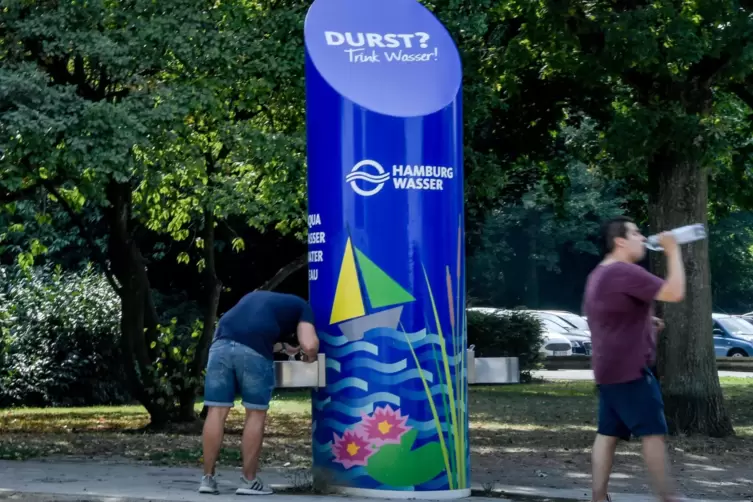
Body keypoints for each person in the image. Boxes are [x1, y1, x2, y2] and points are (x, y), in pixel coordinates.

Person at [582, 216, 686, 502]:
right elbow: (675, 292)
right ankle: (669, 498)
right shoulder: (625, 272)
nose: (642, 238)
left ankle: (599, 497)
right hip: (630, 369)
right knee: (653, 433)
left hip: (607, 370)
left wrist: (645, 321)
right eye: (636, 233)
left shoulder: (599, 274)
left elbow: (608, 314)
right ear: (620, 241)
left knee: (607, 433)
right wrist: (673, 250)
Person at [199, 291, 319, 496]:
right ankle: (249, 481)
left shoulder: (257, 298)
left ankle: (207, 480)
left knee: (216, 411)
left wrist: (283, 347)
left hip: (220, 345)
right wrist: (310, 357)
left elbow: (246, 331)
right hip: (253, 352)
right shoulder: (303, 307)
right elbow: (309, 344)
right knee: (255, 413)